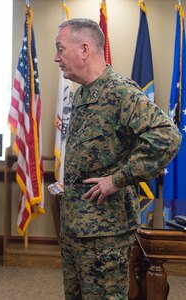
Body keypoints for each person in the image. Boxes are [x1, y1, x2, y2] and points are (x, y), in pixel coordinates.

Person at [54, 18, 182, 299]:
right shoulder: (82, 94)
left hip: (105, 233)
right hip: (76, 227)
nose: (56, 57)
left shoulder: (120, 92)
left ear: (84, 49)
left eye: (60, 49)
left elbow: (167, 136)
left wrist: (118, 179)